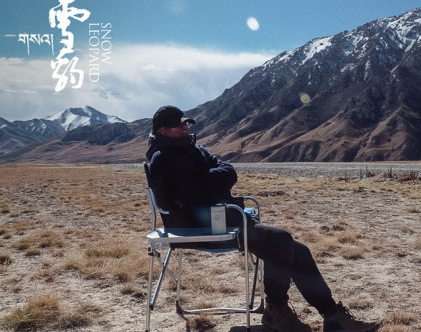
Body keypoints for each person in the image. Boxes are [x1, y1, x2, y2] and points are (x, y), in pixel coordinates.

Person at [146, 105, 380, 332]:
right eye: (179, 126)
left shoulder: (195, 150)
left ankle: (332, 317)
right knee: (280, 241)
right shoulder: (162, 158)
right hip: (197, 229)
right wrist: (206, 185)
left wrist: (202, 182)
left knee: (299, 250)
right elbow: (181, 197)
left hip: (225, 219)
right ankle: (276, 312)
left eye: (186, 125)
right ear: (162, 131)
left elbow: (229, 172)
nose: (186, 129)